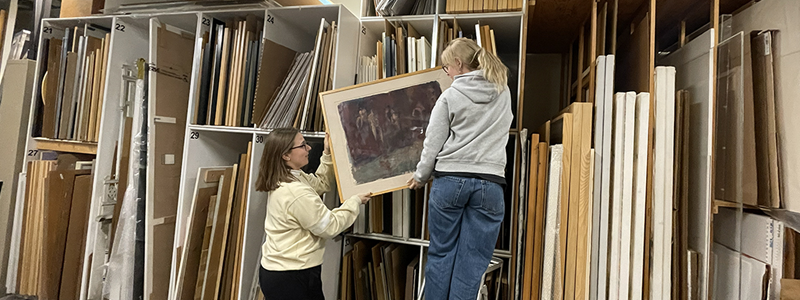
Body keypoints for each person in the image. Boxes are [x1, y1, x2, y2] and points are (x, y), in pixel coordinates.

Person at [407, 38, 512, 299]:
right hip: (491, 184)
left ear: (457, 63)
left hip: (450, 182)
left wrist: (420, 176)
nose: (447, 73)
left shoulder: (450, 96)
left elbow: (433, 141)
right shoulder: (503, 90)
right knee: (472, 262)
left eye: (446, 67)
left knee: (442, 254)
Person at [255, 127, 371, 300]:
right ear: (285, 155)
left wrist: (327, 153)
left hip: (284, 272)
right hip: (292, 277)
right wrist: (354, 202)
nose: (309, 148)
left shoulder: (291, 176)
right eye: (302, 145)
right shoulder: (295, 192)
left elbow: (320, 184)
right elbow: (329, 226)